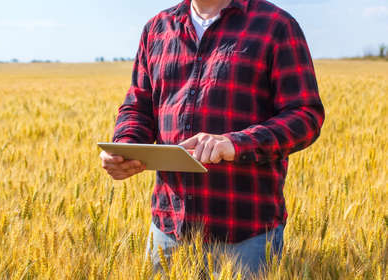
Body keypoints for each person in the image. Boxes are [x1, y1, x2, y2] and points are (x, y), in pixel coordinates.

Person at [100, 0, 325, 276]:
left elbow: (305, 115)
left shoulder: (275, 25)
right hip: (169, 229)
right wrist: (125, 145)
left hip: (246, 235)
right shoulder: (157, 29)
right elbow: (138, 106)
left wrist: (236, 143)